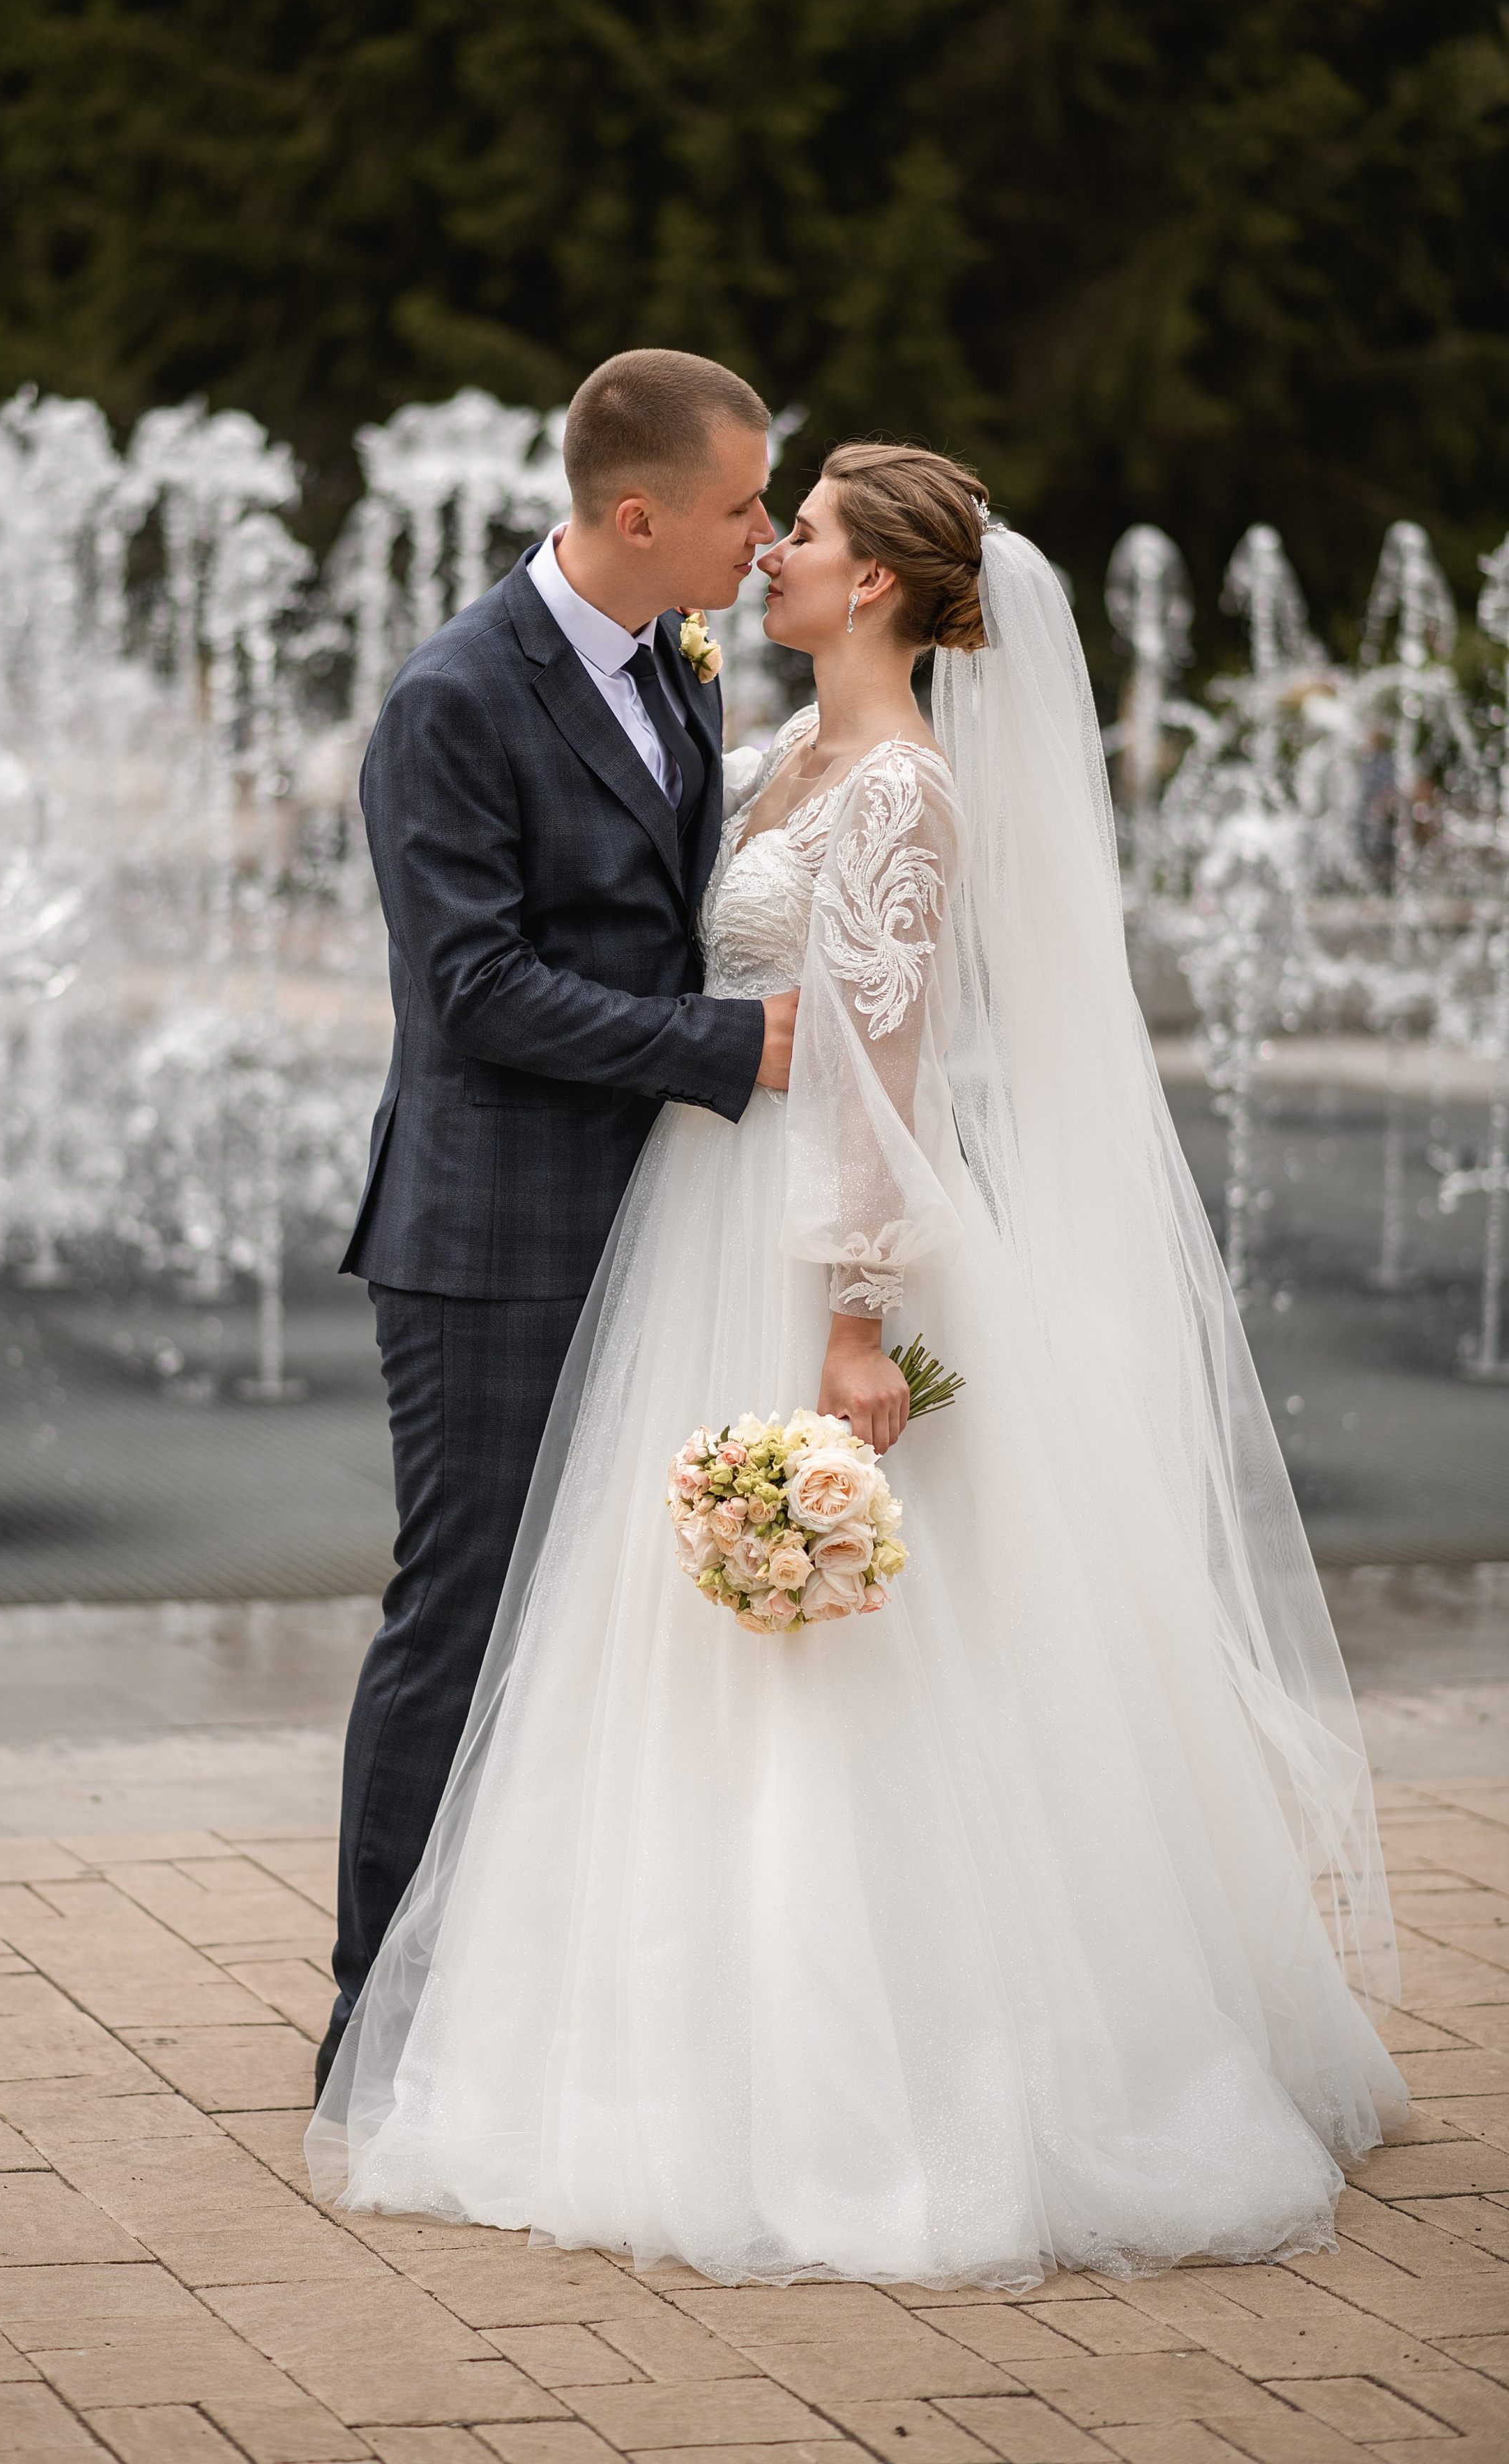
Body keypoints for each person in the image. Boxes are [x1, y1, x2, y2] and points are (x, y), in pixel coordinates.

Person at [307, 439, 1406, 2288]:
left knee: (841, 1649)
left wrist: (850, 1316)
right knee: (653, 1636)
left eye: (797, 531)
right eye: (763, 518)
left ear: (878, 583)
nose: (770, 554)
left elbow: (883, 1075)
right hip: (697, 1215)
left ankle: (883, 2070)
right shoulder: (777, 752)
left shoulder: (897, 790)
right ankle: (619, 2012)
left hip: (803, 1243)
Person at [322, 349, 798, 2094]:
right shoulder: (453, 695)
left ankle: (534, 2006)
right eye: (743, 505)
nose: (764, 536)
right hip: (485, 1238)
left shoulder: (679, 668)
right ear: (637, 512)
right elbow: (472, 990)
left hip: (645, 1230)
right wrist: (726, 1047)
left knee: (596, 1625)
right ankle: (370, 2021)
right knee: (460, 1616)